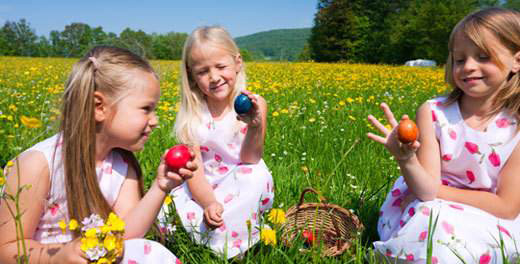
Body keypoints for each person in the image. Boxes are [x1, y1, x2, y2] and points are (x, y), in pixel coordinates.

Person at [0, 46, 195, 264]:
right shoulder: (38, 165)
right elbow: (6, 250)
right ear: (99, 106)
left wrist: (161, 186)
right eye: (146, 108)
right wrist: (57, 258)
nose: (155, 120)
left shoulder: (122, 165)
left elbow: (128, 236)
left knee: (147, 250)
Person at [368, 7, 520, 263]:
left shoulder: (516, 126)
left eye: (483, 57)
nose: (469, 67)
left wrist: (439, 192)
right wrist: (406, 160)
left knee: (449, 234)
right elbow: (425, 192)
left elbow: (506, 207)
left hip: (489, 217)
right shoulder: (434, 113)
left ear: (516, 61)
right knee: (432, 222)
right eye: (459, 60)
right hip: (429, 207)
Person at [158, 26, 274, 259]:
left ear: (237, 63)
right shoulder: (193, 115)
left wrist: (254, 125)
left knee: (255, 176)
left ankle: (234, 239)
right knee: (172, 206)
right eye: (203, 71)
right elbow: (195, 172)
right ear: (192, 76)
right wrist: (209, 202)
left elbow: (251, 159)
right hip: (204, 185)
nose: (214, 77)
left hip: (241, 179)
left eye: (221, 67)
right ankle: (225, 236)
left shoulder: (253, 104)